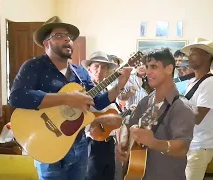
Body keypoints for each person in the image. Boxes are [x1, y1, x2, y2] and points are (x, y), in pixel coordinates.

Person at [8, 16, 131, 180]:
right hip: (47, 144)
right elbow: (16, 97)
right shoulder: (34, 66)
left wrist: (119, 86)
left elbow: (97, 101)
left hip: (78, 145)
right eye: (59, 36)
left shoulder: (79, 72)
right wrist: (65, 98)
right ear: (46, 43)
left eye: (69, 37)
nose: (67, 40)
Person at [116, 48, 196, 180]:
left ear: (169, 69)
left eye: (154, 66)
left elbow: (182, 147)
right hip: (137, 173)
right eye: (147, 67)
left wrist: (154, 143)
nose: (148, 72)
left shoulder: (181, 107)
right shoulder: (146, 101)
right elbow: (128, 123)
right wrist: (124, 143)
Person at [180, 38, 213, 180]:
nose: (189, 56)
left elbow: (197, 117)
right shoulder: (192, 82)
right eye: (190, 53)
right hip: (190, 143)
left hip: (200, 145)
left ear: (207, 56)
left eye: (195, 52)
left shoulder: (210, 83)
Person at [82, 51, 121, 180]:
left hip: (109, 143)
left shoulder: (108, 91)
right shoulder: (83, 92)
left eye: (103, 67)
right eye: (96, 66)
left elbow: (117, 116)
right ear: (89, 69)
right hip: (92, 144)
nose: (99, 70)